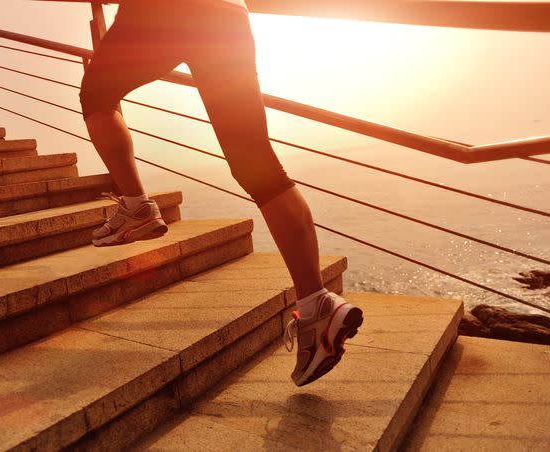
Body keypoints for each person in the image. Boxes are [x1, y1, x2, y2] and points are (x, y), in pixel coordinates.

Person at [79, 0, 363, 386]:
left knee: (96, 95)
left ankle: (136, 206)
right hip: (226, 12)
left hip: (159, 11)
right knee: (257, 163)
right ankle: (316, 303)